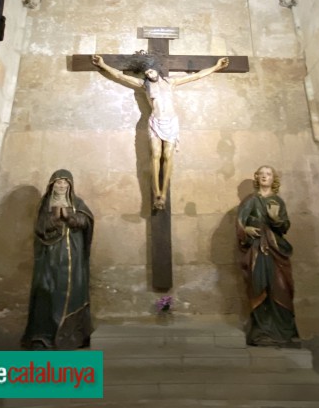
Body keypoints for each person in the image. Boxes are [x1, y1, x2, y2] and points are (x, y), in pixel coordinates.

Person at [92, 52, 229, 210]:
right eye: (146, 73)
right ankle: (156, 192)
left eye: (151, 71)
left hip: (171, 122)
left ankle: (164, 193)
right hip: (155, 122)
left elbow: (196, 76)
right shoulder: (144, 85)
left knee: (168, 155)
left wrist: (216, 67)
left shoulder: (170, 82)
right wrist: (102, 65)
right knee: (156, 155)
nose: (149, 74)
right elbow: (119, 76)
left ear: (156, 69)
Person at [22, 169, 94, 350]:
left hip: (74, 257)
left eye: (65, 183)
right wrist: (54, 219)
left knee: (74, 291)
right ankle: (44, 336)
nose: (61, 186)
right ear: (52, 185)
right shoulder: (45, 204)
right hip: (50, 257)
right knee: (48, 292)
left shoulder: (77, 203)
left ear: (70, 186)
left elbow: (87, 221)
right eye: (58, 183)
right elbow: (40, 227)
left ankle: (73, 335)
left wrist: (71, 218)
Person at [236, 165, 299, 346]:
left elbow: (285, 226)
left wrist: (276, 219)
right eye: (261, 174)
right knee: (258, 287)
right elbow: (239, 224)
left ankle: (284, 331)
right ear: (257, 177)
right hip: (257, 249)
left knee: (281, 287)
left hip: (276, 250)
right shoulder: (250, 201)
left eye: (268, 174)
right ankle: (262, 331)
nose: (265, 176)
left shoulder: (277, 201)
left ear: (273, 179)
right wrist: (247, 230)